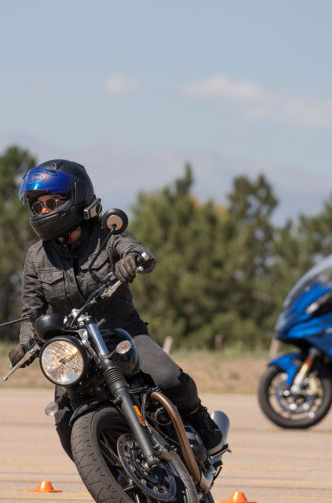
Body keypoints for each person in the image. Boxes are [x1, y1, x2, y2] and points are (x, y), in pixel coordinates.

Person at [11, 159, 224, 460]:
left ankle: (201, 420)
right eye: (37, 206)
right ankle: (111, 484)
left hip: (123, 333)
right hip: (75, 349)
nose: (43, 211)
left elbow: (136, 251)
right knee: (63, 421)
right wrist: (24, 343)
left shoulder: (106, 234)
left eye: (51, 202)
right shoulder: (35, 257)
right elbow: (31, 310)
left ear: (75, 198)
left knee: (169, 377)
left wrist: (134, 259)